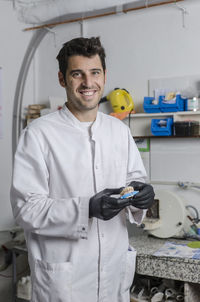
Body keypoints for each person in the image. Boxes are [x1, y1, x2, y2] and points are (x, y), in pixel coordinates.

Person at [10, 36, 155, 302]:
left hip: (113, 275)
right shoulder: (39, 134)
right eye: (77, 74)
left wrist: (141, 197)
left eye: (95, 72)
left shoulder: (118, 131)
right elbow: (25, 208)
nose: (88, 83)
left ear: (104, 75)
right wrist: (85, 208)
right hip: (64, 280)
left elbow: (134, 182)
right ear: (62, 79)